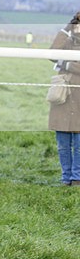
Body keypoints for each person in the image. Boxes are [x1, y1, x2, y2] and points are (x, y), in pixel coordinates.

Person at [48, 12, 80, 186]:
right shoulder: (68, 41)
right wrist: (66, 29)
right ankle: (65, 177)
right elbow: (52, 53)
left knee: (79, 140)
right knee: (63, 140)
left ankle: (77, 178)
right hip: (63, 95)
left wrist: (65, 64)